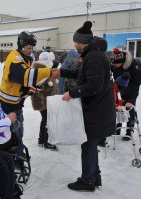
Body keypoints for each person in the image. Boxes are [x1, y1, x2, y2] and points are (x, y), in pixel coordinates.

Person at [52, 21, 116, 191]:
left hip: (96, 111)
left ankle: (88, 180)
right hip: (98, 110)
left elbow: (94, 85)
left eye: (76, 42)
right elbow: (83, 75)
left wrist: (71, 93)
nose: (75, 45)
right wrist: (62, 72)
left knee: (87, 145)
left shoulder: (94, 57)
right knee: (90, 145)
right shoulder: (94, 54)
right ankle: (94, 176)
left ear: (82, 42)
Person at [0, 31, 58, 154]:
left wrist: (27, 89)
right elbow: (25, 75)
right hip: (8, 104)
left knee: (19, 130)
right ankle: (14, 156)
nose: (29, 50)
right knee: (14, 131)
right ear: (20, 46)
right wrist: (49, 72)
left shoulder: (26, 58)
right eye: (27, 47)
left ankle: (18, 153)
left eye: (31, 48)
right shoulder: (15, 58)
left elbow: (21, 82)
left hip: (16, 102)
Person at [110, 48, 141, 141]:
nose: (114, 66)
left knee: (130, 109)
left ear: (122, 62)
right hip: (120, 89)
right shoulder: (114, 64)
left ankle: (129, 131)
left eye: (116, 64)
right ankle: (117, 128)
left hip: (132, 90)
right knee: (119, 108)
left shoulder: (135, 66)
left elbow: (137, 82)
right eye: (113, 64)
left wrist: (129, 97)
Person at [30, 52, 58, 150]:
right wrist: (40, 104)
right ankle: (46, 141)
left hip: (49, 101)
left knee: (46, 120)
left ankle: (42, 140)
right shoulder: (40, 72)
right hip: (44, 102)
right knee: (47, 121)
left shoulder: (46, 70)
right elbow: (35, 90)